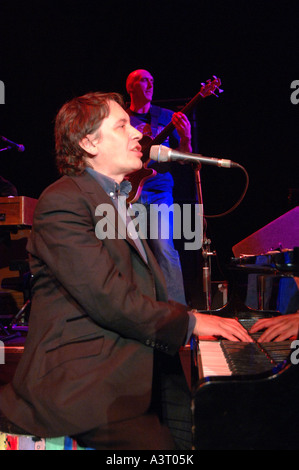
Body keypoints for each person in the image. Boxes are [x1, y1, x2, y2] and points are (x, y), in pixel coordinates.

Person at [0, 92, 252, 450]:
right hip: (85, 396)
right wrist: (192, 321)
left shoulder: (116, 201)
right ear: (89, 142)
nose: (138, 134)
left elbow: (139, 291)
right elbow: (108, 298)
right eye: (122, 126)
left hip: (130, 385)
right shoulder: (64, 200)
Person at [126, 69, 192, 305]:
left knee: (164, 247)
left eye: (152, 80)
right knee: (127, 252)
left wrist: (186, 138)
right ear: (130, 87)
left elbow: (184, 159)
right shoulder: (120, 119)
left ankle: (178, 312)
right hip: (126, 192)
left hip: (158, 191)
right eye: (143, 80)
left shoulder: (166, 117)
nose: (150, 84)